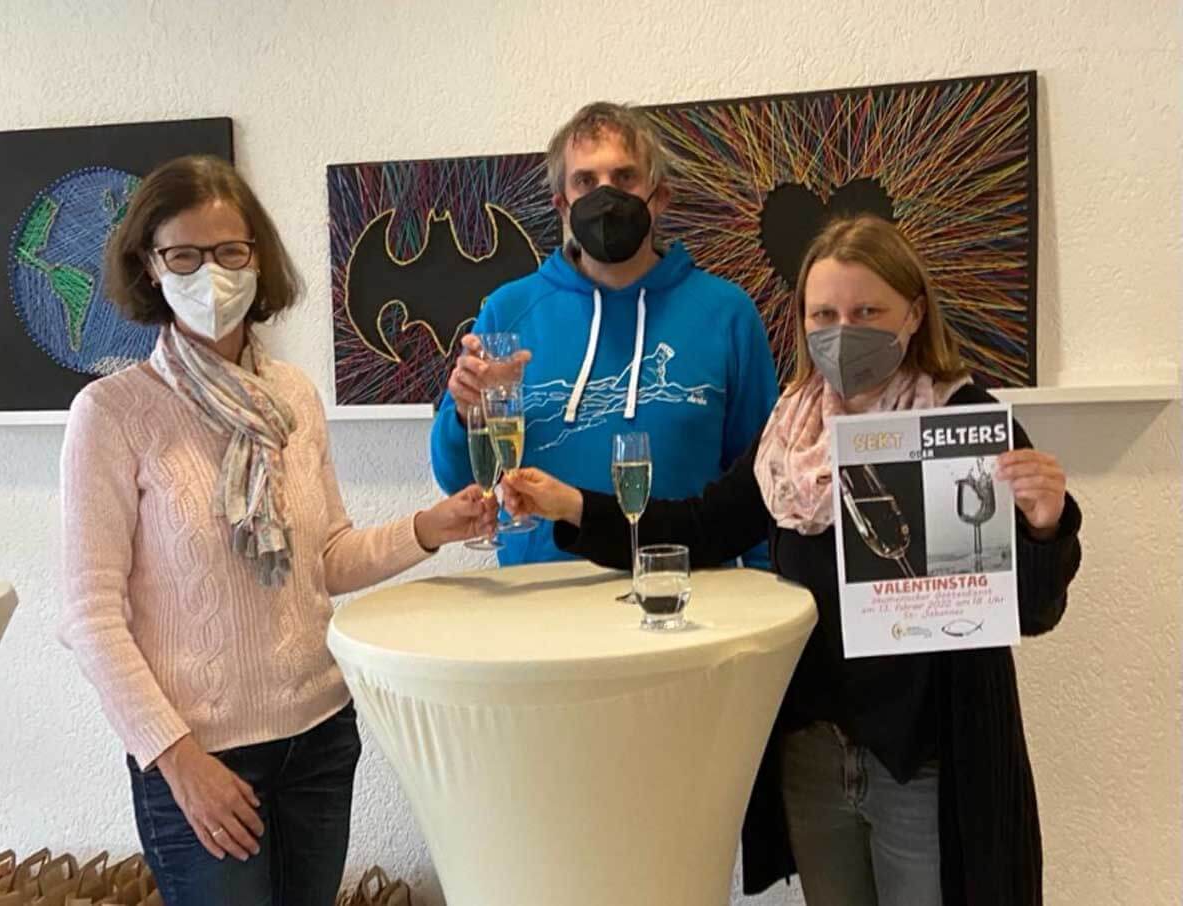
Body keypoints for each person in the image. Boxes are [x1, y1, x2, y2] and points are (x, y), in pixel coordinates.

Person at [501, 214, 1082, 906]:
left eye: (868, 311)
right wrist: (573, 506)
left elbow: (1033, 609)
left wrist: (1046, 525)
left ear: (914, 313)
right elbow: (702, 528)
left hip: (929, 762)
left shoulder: (961, 422)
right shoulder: (791, 431)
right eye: (824, 313)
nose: (844, 329)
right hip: (812, 753)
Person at [59, 155, 496, 906]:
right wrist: (177, 760)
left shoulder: (288, 395)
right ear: (149, 267)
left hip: (319, 737)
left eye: (231, 251)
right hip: (202, 758)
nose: (213, 274)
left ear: (259, 257)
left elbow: (323, 559)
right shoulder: (114, 414)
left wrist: (431, 527)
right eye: (185, 256)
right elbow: (90, 616)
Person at [430, 101, 778, 566]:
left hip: (687, 602)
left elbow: (765, 484)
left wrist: (761, 596)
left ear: (659, 198)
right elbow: (456, 479)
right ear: (563, 205)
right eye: (586, 181)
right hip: (541, 607)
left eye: (625, 177)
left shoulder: (727, 313)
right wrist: (465, 413)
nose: (606, 195)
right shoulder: (508, 313)